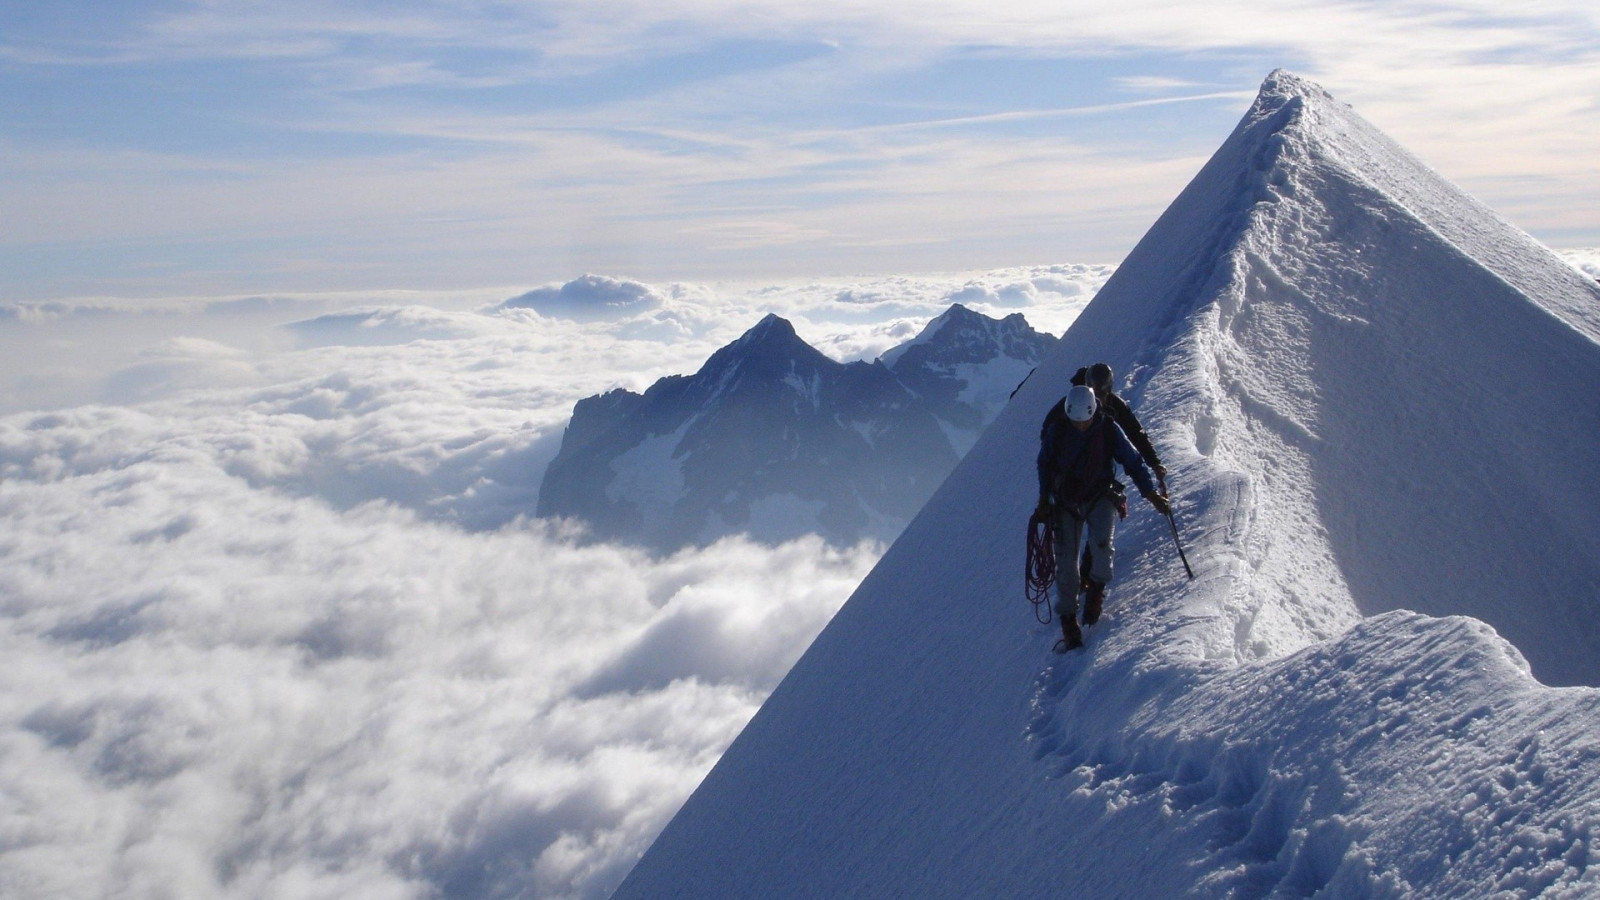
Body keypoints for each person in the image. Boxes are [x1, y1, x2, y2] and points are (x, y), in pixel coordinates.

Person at [1036, 383, 1170, 651]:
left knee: (1102, 546)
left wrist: (1151, 493)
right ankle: (1069, 618)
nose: (1080, 426)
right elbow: (1045, 464)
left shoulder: (1108, 428)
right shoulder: (1059, 429)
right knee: (1066, 560)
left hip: (1099, 495)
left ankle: (1095, 592)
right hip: (1066, 500)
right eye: (1076, 421)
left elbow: (1132, 461)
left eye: (1084, 421)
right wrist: (1043, 500)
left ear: (1092, 412)